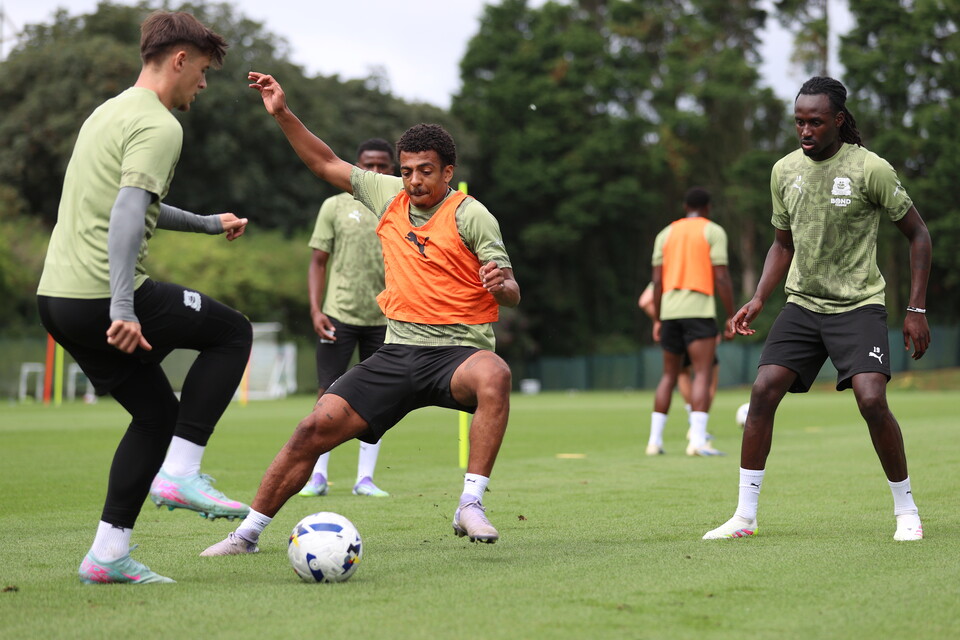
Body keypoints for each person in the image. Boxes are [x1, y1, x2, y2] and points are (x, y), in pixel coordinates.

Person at [201, 71, 520, 557]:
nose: (415, 180)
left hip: (458, 353)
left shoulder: (472, 214)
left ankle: (470, 503)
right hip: (397, 352)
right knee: (313, 427)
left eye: (427, 171)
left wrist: (504, 284)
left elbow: (512, 290)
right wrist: (282, 114)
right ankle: (246, 534)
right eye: (408, 169)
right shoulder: (385, 193)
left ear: (448, 172)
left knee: (495, 374)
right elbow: (324, 162)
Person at [37, 11, 252, 584]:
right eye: (202, 72)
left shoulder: (107, 113)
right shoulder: (160, 125)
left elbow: (133, 203)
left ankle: (107, 555)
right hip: (101, 295)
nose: (202, 85)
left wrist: (208, 223)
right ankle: (181, 473)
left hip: (56, 298)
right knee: (233, 333)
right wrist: (123, 307)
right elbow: (128, 215)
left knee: (156, 415)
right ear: (179, 60)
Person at [703, 76, 930, 542]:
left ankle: (906, 509)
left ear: (838, 121)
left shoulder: (871, 169)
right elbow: (781, 246)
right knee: (764, 390)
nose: (805, 131)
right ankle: (745, 517)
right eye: (799, 122)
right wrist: (760, 298)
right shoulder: (784, 172)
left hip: (858, 305)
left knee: (871, 399)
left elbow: (919, 235)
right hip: (803, 304)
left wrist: (916, 308)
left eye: (816, 122)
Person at [299, 138, 395, 499]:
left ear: (392, 169)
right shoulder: (334, 206)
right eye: (369, 164)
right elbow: (318, 261)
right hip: (338, 314)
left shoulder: (398, 206)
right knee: (328, 393)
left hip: (384, 316)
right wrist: (315, 308)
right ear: (356, 166)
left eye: (384, 165)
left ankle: (365, 479)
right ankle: (318, 476)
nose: (376, 171)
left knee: (380, 397)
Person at [645, 188, 734, 457]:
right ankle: (696, 441)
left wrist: (659, 317)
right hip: (698, 311)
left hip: (670, 312)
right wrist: (731, 314)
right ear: (707, 207)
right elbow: (721, 277)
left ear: (685, 207)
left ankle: (654, 442)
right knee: (702, 373)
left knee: (668, 376)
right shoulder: (713, 231)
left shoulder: (665, 233)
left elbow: (658, 282)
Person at [638, 282, 721, 441]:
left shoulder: (669, 269)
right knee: (706, 373)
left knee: (676, 374)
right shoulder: (696, 266)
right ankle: (698, 429)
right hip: (698, 321)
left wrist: (658, 320)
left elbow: (644, 301)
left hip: (671, 321)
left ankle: (655, 440)